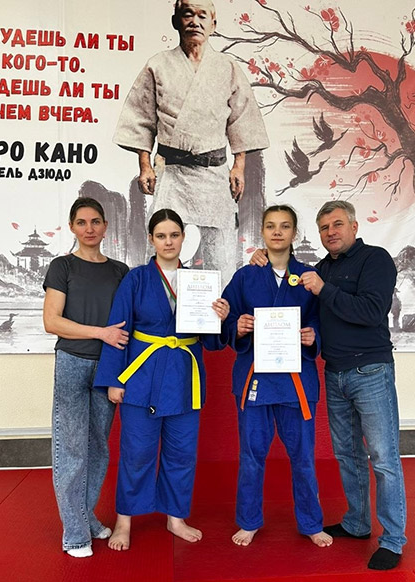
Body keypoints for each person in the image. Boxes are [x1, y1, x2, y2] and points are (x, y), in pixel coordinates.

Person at [93, 208, 230, 550]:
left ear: (183, 238)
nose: (168, 242)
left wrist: (220, 318)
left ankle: (175, 517)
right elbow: (118, 329)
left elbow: (211, 342)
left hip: (184, 377)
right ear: (151, 239)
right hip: (141, 375)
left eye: (174, 235)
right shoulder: (136, 279)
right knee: (136, 452)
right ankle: (124, 519)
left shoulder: (199, 282)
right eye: (161, 236)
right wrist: (113, 379)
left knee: (182, 452)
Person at [113, 0, 269, 284]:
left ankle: (222, 307)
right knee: (164, 244)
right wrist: (145, 165)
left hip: (213, 171)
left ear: (213, 24)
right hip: (172, 172)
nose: (195, 22)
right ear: (176, 22)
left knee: (220, 251)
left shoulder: (227, 67)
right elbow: (141, 117)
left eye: (202, 16)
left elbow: (241, 119)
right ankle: (161, 304)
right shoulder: (158, 65)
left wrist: (239, 165)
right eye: (187, 15)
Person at [299, 200, 407, 571]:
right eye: (324, 227)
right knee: (347, 455)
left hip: (371, 371)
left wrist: (324, 290)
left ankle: (392, 540)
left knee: (383, 458)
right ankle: (357, 523)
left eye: (337, 224)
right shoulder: (320, 269)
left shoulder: (375, 259)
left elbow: (371, 312)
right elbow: (317, 318)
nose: (331, 232)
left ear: (354, 226)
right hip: (334, 373)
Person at [222, 205, 333, 548]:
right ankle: (249, 520)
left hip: (295, 381)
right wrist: (237, 326)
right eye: (270, 226)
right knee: (251, 455)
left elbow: (323, 319)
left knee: (303, 457)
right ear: (262, 232)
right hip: (255, 378)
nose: (277, 232)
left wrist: (314, 334)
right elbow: (226, 316)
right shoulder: (246, 275)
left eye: (285, 226)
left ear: (294, 233)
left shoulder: (310, 277)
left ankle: (311, 522)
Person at [43, 197, 129, 558]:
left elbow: (130, 321)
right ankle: (75, 534)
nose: (89, 228)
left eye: (95, 222)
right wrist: (100, 333)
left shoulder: (120, 270)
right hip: (72, 363)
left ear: (105, 227)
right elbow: (52, 322)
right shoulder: (62, 266)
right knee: (72, 449)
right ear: (72, 227)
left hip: (108, 367)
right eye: (81, 222)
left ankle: (85, 516)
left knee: (98, 449)